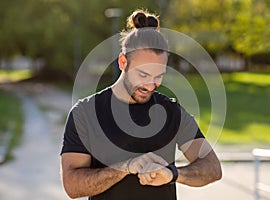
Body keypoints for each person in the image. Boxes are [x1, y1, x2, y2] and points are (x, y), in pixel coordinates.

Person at [60, 9, 222, 200]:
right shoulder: (85, 113)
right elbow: (72, 186)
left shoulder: (171, 111)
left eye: (159, 76)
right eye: (143, 75)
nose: (151, 84)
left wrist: (173, 174)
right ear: (123, 62)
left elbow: (212, 168)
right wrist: (125, 168)